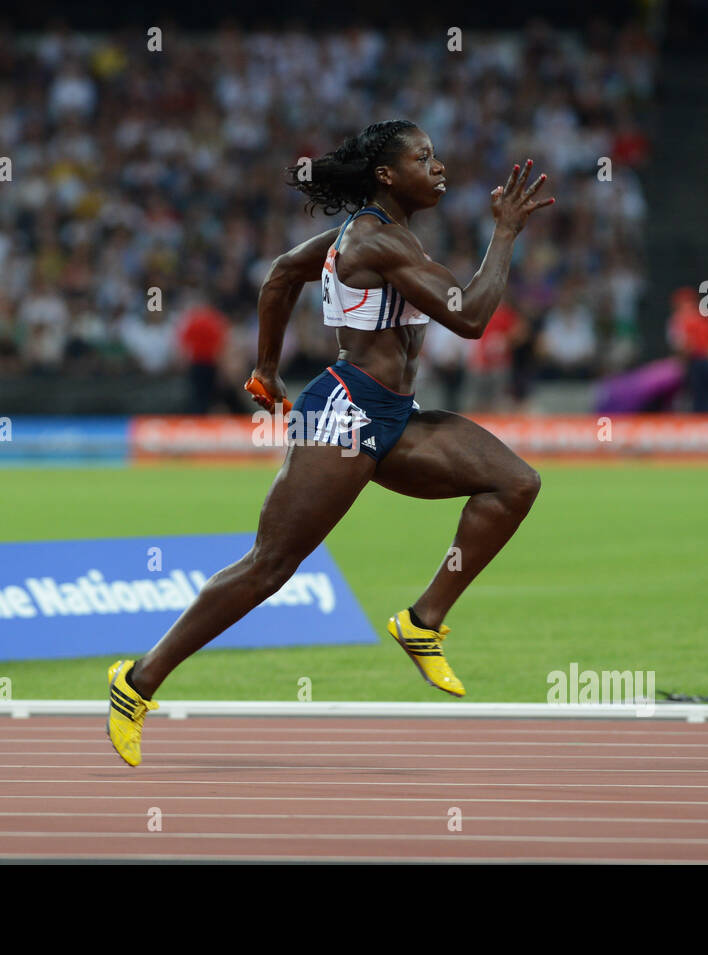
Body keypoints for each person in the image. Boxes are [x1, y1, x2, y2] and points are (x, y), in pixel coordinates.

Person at [107, 120, 554, 766]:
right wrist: (506, 231)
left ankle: (422, 620)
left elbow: (283, 274)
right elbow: (472, 316)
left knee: (515, 482)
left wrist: (266, 368)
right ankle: (136, 681)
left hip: (394, 415)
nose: (438, 167)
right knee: (269, 566)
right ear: (386, 175)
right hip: (345, 414)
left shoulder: (384, 235)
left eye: (435, 156)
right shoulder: (374, 242)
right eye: (422, 158)